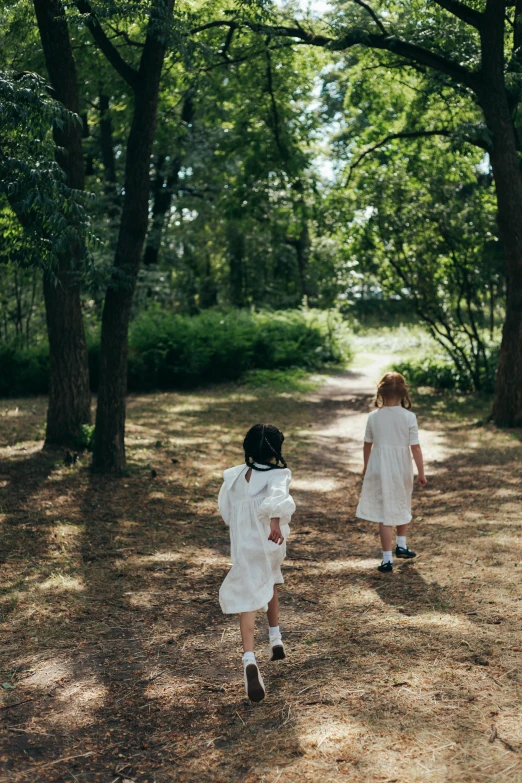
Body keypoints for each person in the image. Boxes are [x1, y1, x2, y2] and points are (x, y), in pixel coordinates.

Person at [218, 423, 295, 702]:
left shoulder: (234, 477)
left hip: (243, 544)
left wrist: (241, 524)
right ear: (276, 451)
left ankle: (249, 658)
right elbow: (278, 498)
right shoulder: (278, 474)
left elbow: (226, 511)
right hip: (269, 541)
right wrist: (274, 521)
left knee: (249, 596)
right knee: (271, 576)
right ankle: (275, 639)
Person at [356, 372, 427, 572]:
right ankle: (401, 545)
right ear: (403, 393)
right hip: (402, 467)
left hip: (379, 467)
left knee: (384, 512)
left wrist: (366, 465)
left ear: (381, 392)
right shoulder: (409, 417)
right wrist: (421, 473)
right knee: (402, 502)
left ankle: (387, 558)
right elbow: (416, 448)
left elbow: (367, 444)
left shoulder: (374, 416)